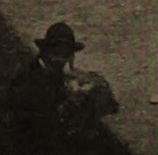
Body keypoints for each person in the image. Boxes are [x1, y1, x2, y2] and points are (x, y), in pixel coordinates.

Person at [3, 21, 118, 153]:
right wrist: (71, 100)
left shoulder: (62, 77)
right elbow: (40, 124)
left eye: (66, 55)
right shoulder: (27, 81)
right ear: (44, 51)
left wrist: (90, 88)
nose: (60, 60)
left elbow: (112, 106)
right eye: (56, 53)